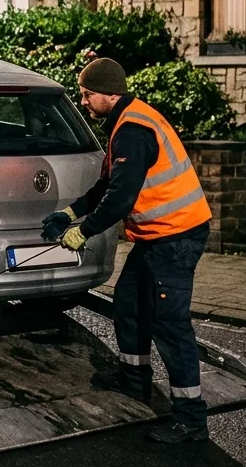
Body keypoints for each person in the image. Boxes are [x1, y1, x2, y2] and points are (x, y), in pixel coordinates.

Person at [42, 58, 213, 444]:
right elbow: (108, 185)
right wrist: (68, 213)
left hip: (176, 238)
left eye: (87, 94)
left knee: (170, 325)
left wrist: (81, 232)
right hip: (159, 237)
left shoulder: (133, 131)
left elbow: (121, 198)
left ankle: (191, 419)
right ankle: (133, 379)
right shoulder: (126, 120)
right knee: (129, 303)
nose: (83, 101)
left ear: (108, 93)